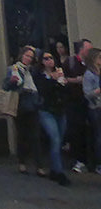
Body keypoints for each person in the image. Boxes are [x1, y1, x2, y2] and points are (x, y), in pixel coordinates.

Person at [5, 45, 45, 176]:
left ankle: (39, 165)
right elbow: (6, 86)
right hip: (21, 102)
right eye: (27, 55)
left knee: (35, 135)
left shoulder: (33, 70)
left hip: (33, 101)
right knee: (22, 134)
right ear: (21, 55)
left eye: (31, 57)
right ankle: (22, 162)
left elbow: (40, 54)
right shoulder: (14, 69)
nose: (28, 59)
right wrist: (12, 81)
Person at [34, 51, 70, 185]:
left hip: (60, 110)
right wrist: (52, 80)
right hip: (46, 111)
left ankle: (55, 170)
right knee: (55, 138)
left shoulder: (59, 73)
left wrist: (62, 82)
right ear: (41, 61)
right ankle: (59, 172)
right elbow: (43, 90)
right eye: (46, 58)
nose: (49, 60)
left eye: (51, 58)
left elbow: (66, 92)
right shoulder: (40, 76)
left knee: (59, 141)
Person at [63, 39, 92, 173]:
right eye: (88, 48)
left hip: (90, 102)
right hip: (74, 102)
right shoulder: (70, 62)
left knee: (91, 130)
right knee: (77, 130)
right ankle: (79, 160)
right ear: (81, 49)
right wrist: (77, 80)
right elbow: (62, 79)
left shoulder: (91, 63)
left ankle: (90, 160)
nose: (90, 51)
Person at [82, 48, 101, 175]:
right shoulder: (89, 74)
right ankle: (98, 164)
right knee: (99, 136)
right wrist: (98, 90)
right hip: (95, 108)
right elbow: (87, 94)